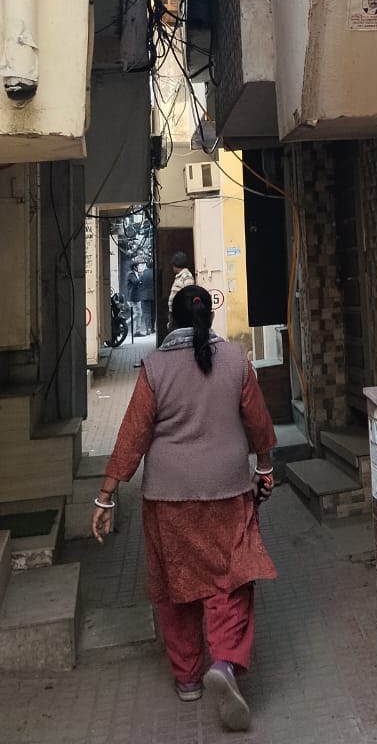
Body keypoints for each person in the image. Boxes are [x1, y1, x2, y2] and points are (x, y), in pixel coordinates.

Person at [91, 285, 277, 731]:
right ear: (208, 318)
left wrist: (106, 495)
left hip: (167, 498)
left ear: (170, 320)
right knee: (230, 580)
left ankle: (188, 678)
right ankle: (227, 663)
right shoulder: (235, 359)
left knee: (175, 586)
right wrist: (265, 468)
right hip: (228, 491)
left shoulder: (154, 367)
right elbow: (259, 422)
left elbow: (132, 435)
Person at [167, 251, 194, 318]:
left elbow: (189, 295)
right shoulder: (179, 276)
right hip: (175, 312)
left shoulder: (187, 276)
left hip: (181, 313)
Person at [127, 263, 143, 336]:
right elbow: (136, 281)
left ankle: (137, 331)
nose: (139, 267)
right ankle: (125, 324)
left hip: (136, 296)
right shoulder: (131, 274)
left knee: (138, 314)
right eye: (138, 266)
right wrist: (140, 276)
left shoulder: (134, 274)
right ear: (134, 267)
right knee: (137, 313)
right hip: (133, 297)